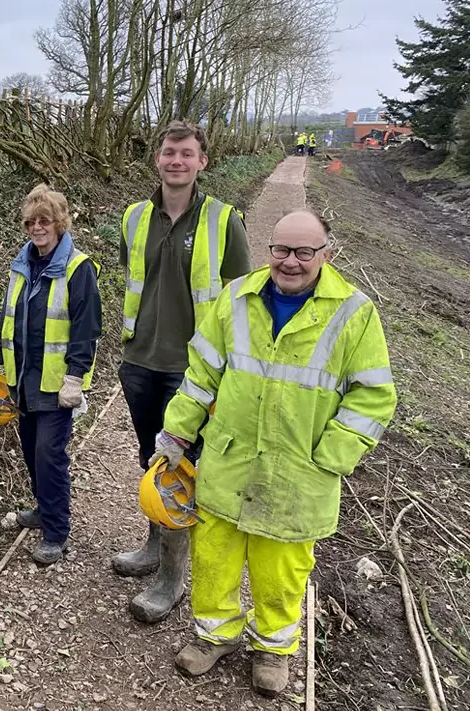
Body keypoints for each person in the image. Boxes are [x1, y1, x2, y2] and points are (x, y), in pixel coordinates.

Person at [161, 209, 396, 696]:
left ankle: (272, 648)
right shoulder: (237, 298)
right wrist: (176, 434)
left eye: (304, 252)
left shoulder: (354, 312)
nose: (290, 261)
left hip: (298, 473)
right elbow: (202, 373)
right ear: (269, 250)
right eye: (281, 250)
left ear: (325, 254)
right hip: (230, 460)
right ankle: (214, 636)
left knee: (282, 567)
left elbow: (373, 396)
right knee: (215, 556)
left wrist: (330, 456)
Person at [110, 121, 251, 622]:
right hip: (140, 361)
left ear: (202, 162)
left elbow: (241, 301)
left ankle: (172, 579)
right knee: (152, 460)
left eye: (187, 154)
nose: (177, 161)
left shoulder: (223, 220)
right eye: (169, 152)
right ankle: (153, 547)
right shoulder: (133, 217)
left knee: (181, 469)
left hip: (192, 371)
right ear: (157, 159)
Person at [0, 185, 103, 565]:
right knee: (32, 452)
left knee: (50, 455)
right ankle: (42, 508)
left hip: (55, 384)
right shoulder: (21, 264)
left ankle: (56, 531)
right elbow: (8, 316)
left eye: (44, 221)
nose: (37, 228)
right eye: (31, 222)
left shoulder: (78, 269)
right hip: (22, 380)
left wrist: (75, 377)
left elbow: (86, 328)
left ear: (60, 223)